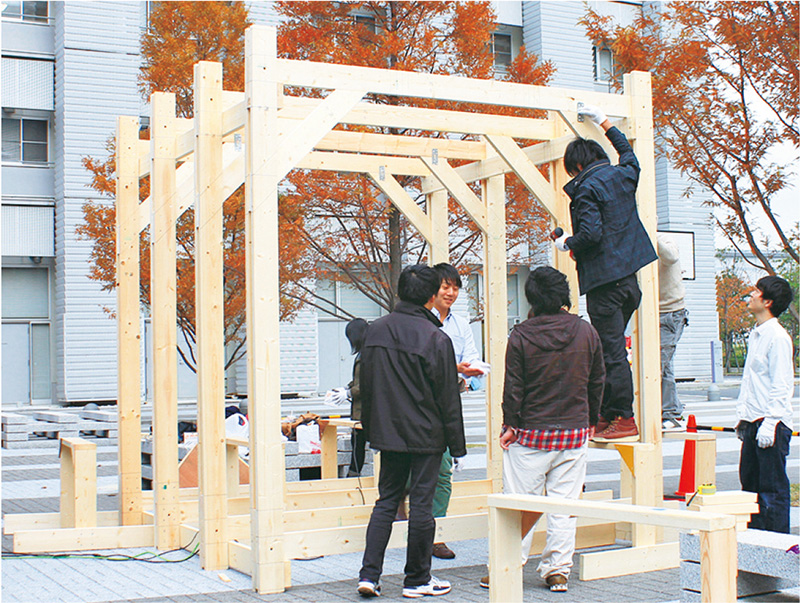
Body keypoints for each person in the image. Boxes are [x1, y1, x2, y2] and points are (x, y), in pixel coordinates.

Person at [480, 266, 604, 593]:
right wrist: (591, 418)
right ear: (563, 295)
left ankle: (504, 566)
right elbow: (597, 379)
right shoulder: (585, 331)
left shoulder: (521, 335)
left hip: (531, 434)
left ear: (531, 297)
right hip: (574, 432)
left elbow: (514, 388)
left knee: (518, 503)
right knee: (564, 506)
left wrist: (510, 425)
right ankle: (558, 570)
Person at [357, 264, 466, 598]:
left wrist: (372, 429)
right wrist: (457, 446)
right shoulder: (436, 337)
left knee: (386, 502)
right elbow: (448, 397)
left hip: (388, 433)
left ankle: (368, 575)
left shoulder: (374, 331)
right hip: (426, 435)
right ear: (432, 297)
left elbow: (367, 387)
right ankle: (417, 579)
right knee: (421, 506)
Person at [552, 104, 657, 441]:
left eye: (571, 170)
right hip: (629, 283)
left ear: (578, 166)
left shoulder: (585, 189)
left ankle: (623, 419)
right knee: (610, 349)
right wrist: (604, 121)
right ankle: (607, 415)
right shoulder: (623, 175)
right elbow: (629, 154)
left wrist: (567, 243)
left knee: (610, 353)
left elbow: (591, 235)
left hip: (605, 285)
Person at [428, 262, 484, 560]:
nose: (450, 293)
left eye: (454, 288)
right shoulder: (422, 321)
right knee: (414, 473)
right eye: (445, 286)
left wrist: (466, 377)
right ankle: (410, 522)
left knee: (443, 473)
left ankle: (436, 533)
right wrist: (454, 370)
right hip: (419, 406)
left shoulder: (461, 325)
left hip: (448, 404)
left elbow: (472, 360)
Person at [736, 275, 794, 533]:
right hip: (753, 422)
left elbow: (781, 384)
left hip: (770, 424)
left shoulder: (778, 338)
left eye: (757, 291)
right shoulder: (756, 335)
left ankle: (775, 547)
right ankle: (755, 545)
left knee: (772, 491)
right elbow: (753, 383)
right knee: (750, 489)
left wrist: (770, 423)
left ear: (768, 301)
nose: (752, 294)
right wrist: (743, 419)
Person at [658, 234, 688, 432]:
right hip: (649, 313)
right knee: (664, 365)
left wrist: (651, 234)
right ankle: (672, 411)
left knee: (657, 364)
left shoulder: (665, 240)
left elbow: (670, 257)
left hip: (671, 313)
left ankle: (671, 413)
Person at [345, 318, 369, 477]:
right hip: (359, 410)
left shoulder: (368, 353)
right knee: (356, 443)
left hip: (365, 411)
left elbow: (366, 384)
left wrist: (349, 392)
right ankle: (353, 474)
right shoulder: (364, 352)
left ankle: (353, 476)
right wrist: (347, 387)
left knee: (358, 445)